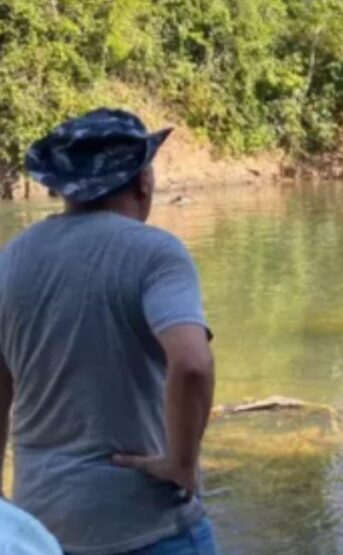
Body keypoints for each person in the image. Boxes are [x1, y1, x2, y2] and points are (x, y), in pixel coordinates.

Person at [0, 109, 218, 555]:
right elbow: (193, 364)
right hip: (147, 524)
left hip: (41, 528)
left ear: (61, 187)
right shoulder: (154, 254)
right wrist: (181, 463)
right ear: (143, 182)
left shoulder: (12, 258)